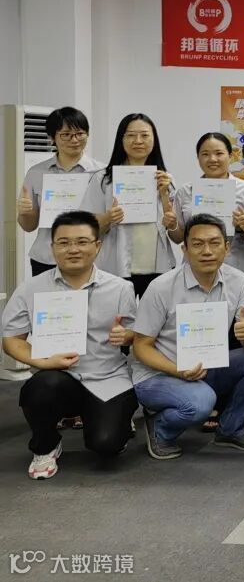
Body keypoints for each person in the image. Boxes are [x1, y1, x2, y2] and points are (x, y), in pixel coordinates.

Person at [1, 211, 138, 479]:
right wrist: (42, 362)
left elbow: (137, 334)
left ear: (97, 246)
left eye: (82, 242)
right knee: (40, 387)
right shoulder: (31, 289)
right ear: (52, 247)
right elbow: (11, 340)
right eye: (63, 243)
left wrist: (127, 335)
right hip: (59, 378)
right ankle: (46, 445)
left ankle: (110, 421)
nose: (73, 249)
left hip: (108, 377)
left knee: (107, 445)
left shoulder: (121, 288)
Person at [132, 214, 244, 460]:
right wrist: (178, 370)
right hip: (159, 374)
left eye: (214, 243)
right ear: (184, 250)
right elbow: (141, 346)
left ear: (227, 248)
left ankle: (230, 429)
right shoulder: (161, 287)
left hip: (205, 366)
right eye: (197, 244)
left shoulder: (239, 281)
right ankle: (160, 428)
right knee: (201, 402)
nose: (207, 251)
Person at [83, 113, 178, 298]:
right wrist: (108, 218)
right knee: (117, 315)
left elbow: (175, 231)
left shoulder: (166, 179)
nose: (138, 141)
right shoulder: (103, 179)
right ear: (121, 139)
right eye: (131, 135)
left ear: (154, 140)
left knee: (155, 316)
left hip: (157, 267)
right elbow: (85, 225)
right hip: (115, 267)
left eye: (145, 135)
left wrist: (165, 198)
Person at [17, 107, 105, 276]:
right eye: (66, 134)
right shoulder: (36, 173)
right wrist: (25, 213)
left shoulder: (102, 172)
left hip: (89, 258)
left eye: (80, 133)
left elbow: (107, 222)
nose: (74, 140)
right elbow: (28, 226)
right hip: (47, 258)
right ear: (52, 138)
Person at [172, 132, 244, 279]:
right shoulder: (184, 192)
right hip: (195, 267)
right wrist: (171, 225)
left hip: (236, 267)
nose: (212, 159)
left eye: (219, 153)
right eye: (205, 154)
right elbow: (177, 238)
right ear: (198, 158)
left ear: (230, 156)